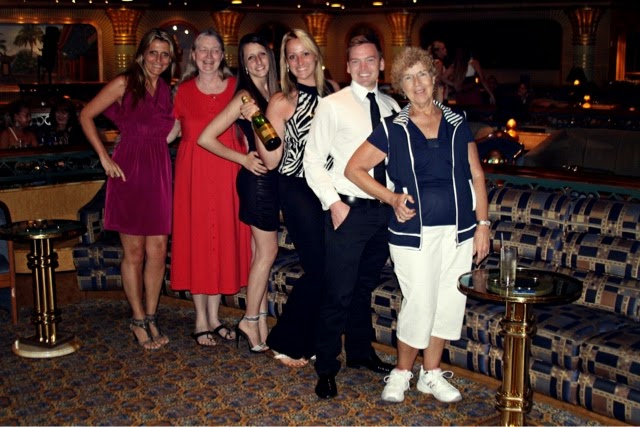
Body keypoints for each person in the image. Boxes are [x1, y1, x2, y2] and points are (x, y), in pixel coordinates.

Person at [345, 46, 490, 403]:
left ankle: (431, 373)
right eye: (408, 78)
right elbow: (354, 169)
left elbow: (476, 174)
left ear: (433, 76)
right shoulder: (392, 128)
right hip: (413, 234)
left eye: (422, 74)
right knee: (420, 303)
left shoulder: (457, 122)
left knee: (447, 303)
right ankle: (401, 373)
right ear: (401, 86)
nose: (417, 83)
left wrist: (483, 224)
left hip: (459, 232)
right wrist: (391, 198)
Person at [303, 34, 398, 399]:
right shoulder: (332, 105)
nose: (363, 67)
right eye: (356, 61)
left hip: (383, 213)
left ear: (381, 64)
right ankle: (326, 367)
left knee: (363, 288)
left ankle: (360, 353)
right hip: (348, 210)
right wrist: (333, 203)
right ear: (347, 66)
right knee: (338, 293)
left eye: (370, 60)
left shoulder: (392, 106)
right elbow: (313, 160)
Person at [79, 28, 180, 350]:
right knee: (134, 252)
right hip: (128, 171)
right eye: (153, 53)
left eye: (165, 55)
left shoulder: (166, 90)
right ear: (141, 54)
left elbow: (168, 131)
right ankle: (137, 319)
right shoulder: (124, 83)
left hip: (159, 171)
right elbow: (86, 115)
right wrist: (104, 157)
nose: (158, 60)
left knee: (158, 250)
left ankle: (151, 315)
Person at [252, 28, 338, 367]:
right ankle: (284, 340)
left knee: (329, 268)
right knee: (320, 268)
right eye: (292, 56)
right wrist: (259, 124)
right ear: (286, 64)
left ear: (316, 56)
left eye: (305, 53)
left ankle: (310, 339)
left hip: (328, 189)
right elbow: (273, 161)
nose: (299, 61)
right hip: (297, 187)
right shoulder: (281, 101)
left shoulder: (334, 93)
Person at [197, 33, 279, 352]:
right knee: (267, 253)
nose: (257, 61)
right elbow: (206, 137)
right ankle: (249, 319)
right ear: (243, 65)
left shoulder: (274, 91)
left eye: (261, 54)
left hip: (271, 181)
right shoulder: (245, 96)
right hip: (256, 181)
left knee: (261, 255)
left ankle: (260, 323)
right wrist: (242, 159)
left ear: (270, 58)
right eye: (250, 57)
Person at [171, 29, 252, 347]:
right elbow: (170, 132)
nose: (208, 56)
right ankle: (200, 320)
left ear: (222, 55)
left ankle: (214, 317)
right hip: (194, 174)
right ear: (193, 55)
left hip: (228, 171)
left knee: (221, 239)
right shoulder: (182, 91)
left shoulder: (236, 87)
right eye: (202, 50)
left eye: (214, 50)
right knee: (199, 241)